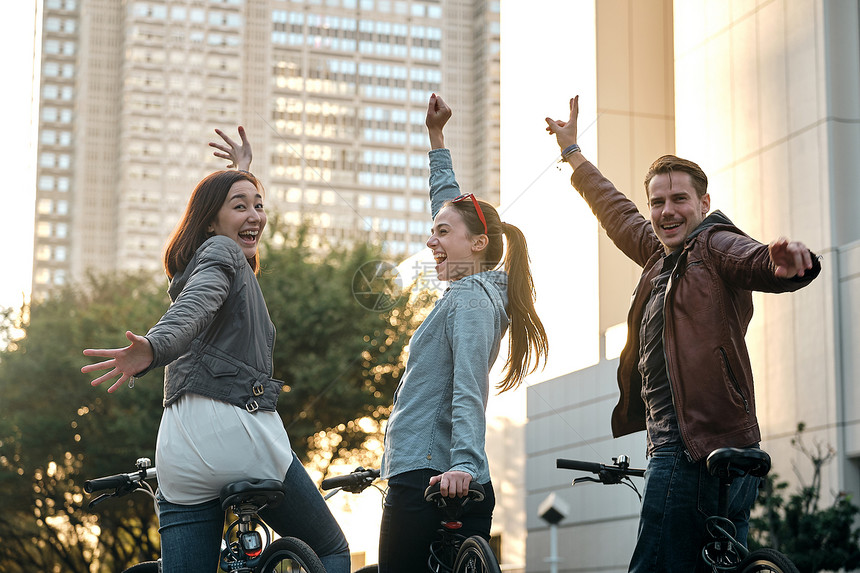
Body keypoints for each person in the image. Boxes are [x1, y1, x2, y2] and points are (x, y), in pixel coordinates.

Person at [545, 96, 821, 572]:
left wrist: (787, 265)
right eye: (657, 201)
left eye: (679, 200)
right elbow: (616, 211)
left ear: (704, 204)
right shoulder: (658, 256)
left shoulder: (713, 246)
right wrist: (572, 151)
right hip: (722, 444)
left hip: (689, 447)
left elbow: (753, 258)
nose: (666, 211)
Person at [81, 127, 350, 573]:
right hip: (235, 426)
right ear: (211, 222)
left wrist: (240, 177)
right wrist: (153, 347)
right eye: (240, 206)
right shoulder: (222, 251)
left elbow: (198, 293)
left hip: (180, 447)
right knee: (330, 550)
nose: (256, 216)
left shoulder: (206, 257)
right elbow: (193, 309)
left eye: (259, 206)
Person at [377, 93, 550, 572]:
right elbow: (448, 206)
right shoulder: (474, 287)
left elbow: (468, 389)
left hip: (435, 475)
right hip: (436, 469)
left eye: (442, 233)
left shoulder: (470, 299)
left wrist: (464, 466)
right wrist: (437, 140)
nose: (431, 240)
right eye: (433, 231)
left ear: (476, 244)